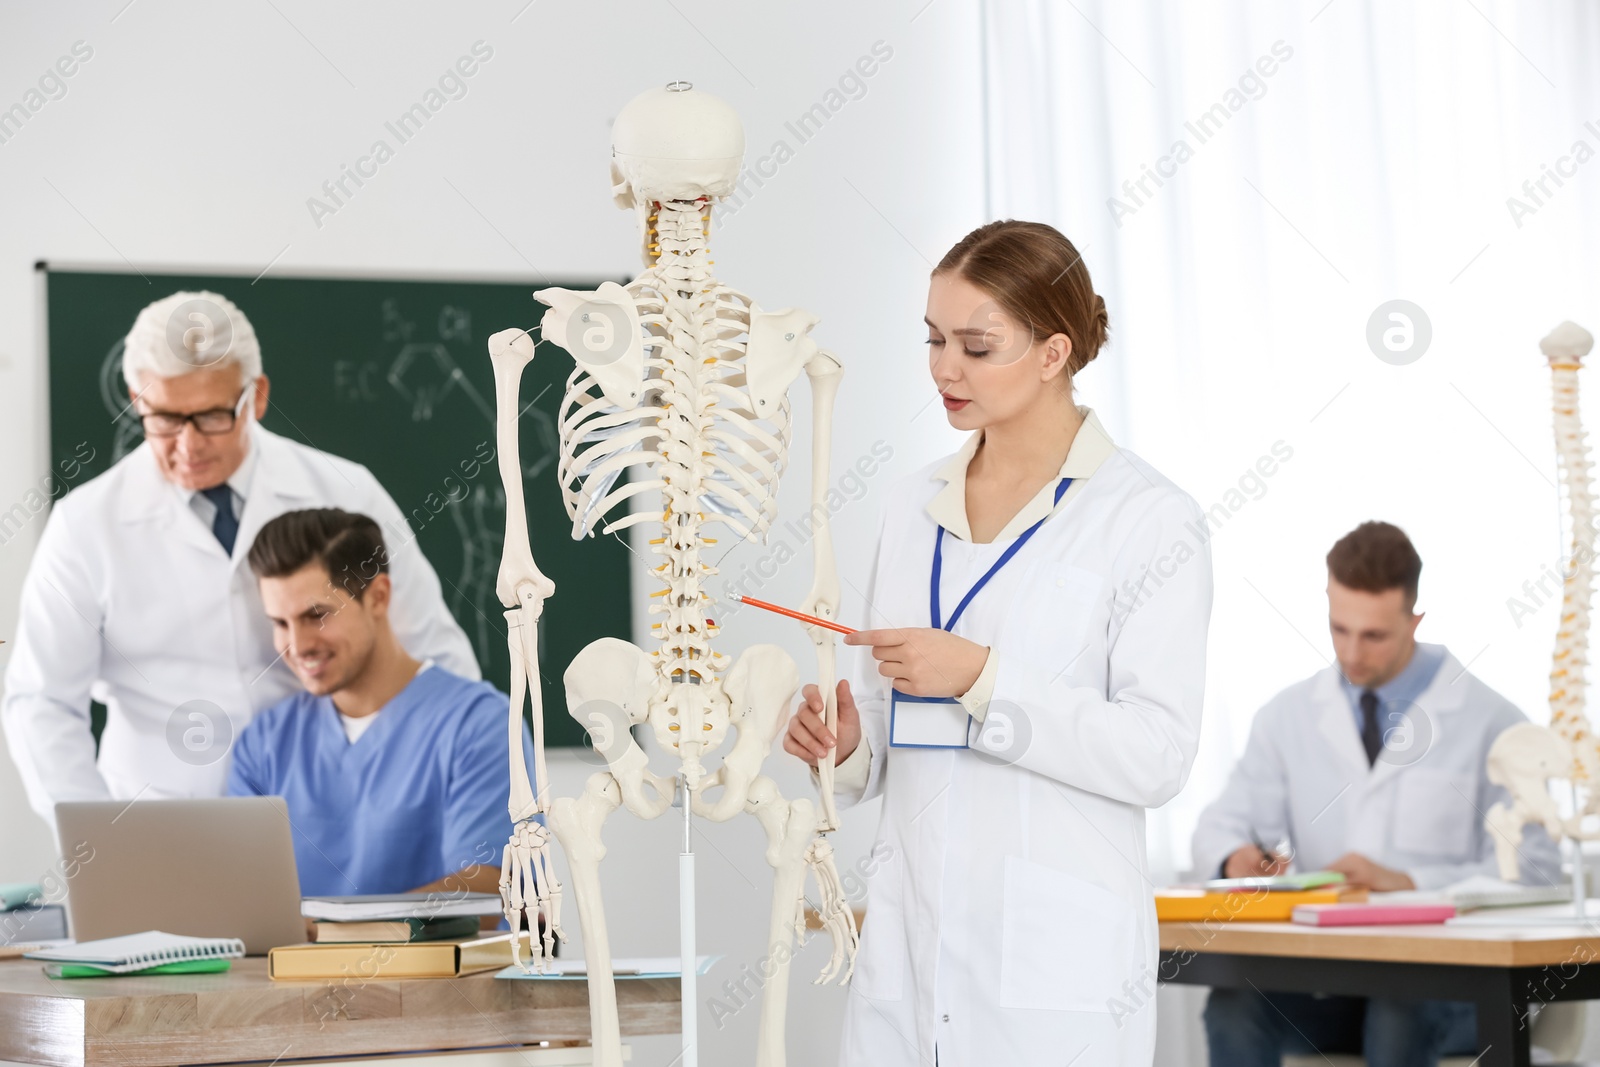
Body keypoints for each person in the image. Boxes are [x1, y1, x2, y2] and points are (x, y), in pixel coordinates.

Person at [784, 220, 1213, 1066]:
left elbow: (1158, 754)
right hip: (910, 957)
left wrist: (983, 678)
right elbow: (883, 728)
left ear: (1054, 353)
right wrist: (844, 745)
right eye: (935, 339)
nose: (946, 368)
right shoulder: (912, 506)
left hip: (1055, 968)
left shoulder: (1148, 519)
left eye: (977, 346)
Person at [3, 290, 477, 826]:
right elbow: (42, 702)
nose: (187, 445)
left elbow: (434, 657)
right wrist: (101, 841)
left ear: (256, 397)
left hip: (339, 817)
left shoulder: (346, 491)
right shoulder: (86, 524)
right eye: (162, 418)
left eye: (210, 416)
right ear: (137, 398)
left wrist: (419, 804)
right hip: (160, 829)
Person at [1191, 520, 1560, 1067]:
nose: (1352, 653)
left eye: (1374, 636)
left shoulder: (1493, 722)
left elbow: (1539, 871)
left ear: (1415, 620)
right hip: (1335, 980)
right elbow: (1221, 825)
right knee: (1233, 1007)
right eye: (1339, 629)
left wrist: (1410, 883)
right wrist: (1237, 856)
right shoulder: (1286, 717)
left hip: (1455, 987)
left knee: (1398, 1014)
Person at [227, 508, 531, 897]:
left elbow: (487, 888)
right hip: (288, 961)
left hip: (434, 961)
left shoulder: (479, 725)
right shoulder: (264, 744)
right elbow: (240, 893)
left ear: (378, 597)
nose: (298, 645)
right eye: (281, 624)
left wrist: (334, 932)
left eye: (316, 615)